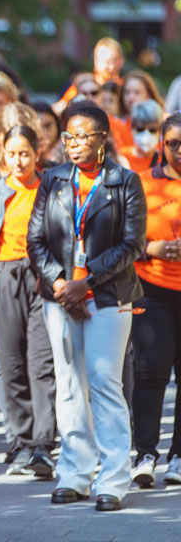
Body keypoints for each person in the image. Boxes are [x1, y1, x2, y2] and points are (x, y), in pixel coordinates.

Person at [27, 102, 147, 511]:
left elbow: (132, 245)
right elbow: (35, 240)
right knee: (69, 385)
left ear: (102, 139)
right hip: (60, 297)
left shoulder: (125, 181)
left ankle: (113, 478)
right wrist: (62, 284)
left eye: (82, 137)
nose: (74, 144)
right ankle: (74, 474)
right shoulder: (54, 179)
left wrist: (87, 282)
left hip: (109, 298)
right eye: (68, 137)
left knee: (104, 382)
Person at [0, 125, 56, 477]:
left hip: (41, 278)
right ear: (3, 154)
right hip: (2, 278)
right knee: (11, 364)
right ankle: (21, 441)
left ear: (37, 154)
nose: (18, 161)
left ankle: (44, 445)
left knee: (41, 363)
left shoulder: (51, 188)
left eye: (25, 154)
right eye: (12, 154)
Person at [129, 112, 181, 488]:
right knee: (149, 372)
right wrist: (154, 248)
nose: (180, 150)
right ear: (162, 146)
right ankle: (145, 452)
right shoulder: (142, 183)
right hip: (151, 289)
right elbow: (124, 240)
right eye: (173, 143)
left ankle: (179, 457)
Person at [122, 99, 163, 173]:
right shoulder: (120, 158)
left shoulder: (164, 161)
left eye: (152, 130)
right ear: (132, 128)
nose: (146, 135)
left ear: (159, 131)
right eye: (140, 129)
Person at [31, 102, 63, 169]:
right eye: (36, 128)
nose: (42, 133)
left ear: (57, 126)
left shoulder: (69, 155)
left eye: (48, 126)